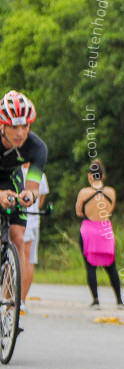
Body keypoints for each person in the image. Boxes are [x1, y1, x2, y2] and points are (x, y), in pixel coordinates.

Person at [0, 91, 47, 270]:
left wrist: (28, 195)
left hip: (12, 179)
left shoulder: (37, 148)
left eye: (25, 126)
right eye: (13, 127)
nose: (20, 133)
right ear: (2, 126)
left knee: (18, 238)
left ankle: (11, 296)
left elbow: (33, 187)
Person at [74, 159, 124, 309]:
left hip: (89, 230)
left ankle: (96, 299)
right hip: (106, 229)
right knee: (111, 266)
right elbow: (111, 209)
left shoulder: (84, 193)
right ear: (103, 176)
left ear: (90, 176)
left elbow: (78, 212)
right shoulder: (111, 192)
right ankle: (119, 300)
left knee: (90, 266)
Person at [19, 163, 48, 306]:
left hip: (23, 220)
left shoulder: (14, 170)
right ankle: (21, 300)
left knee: (22, 258)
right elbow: (41, 199)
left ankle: (17, 299)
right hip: (33, 219)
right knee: (28, 260)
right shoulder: (39, 173)